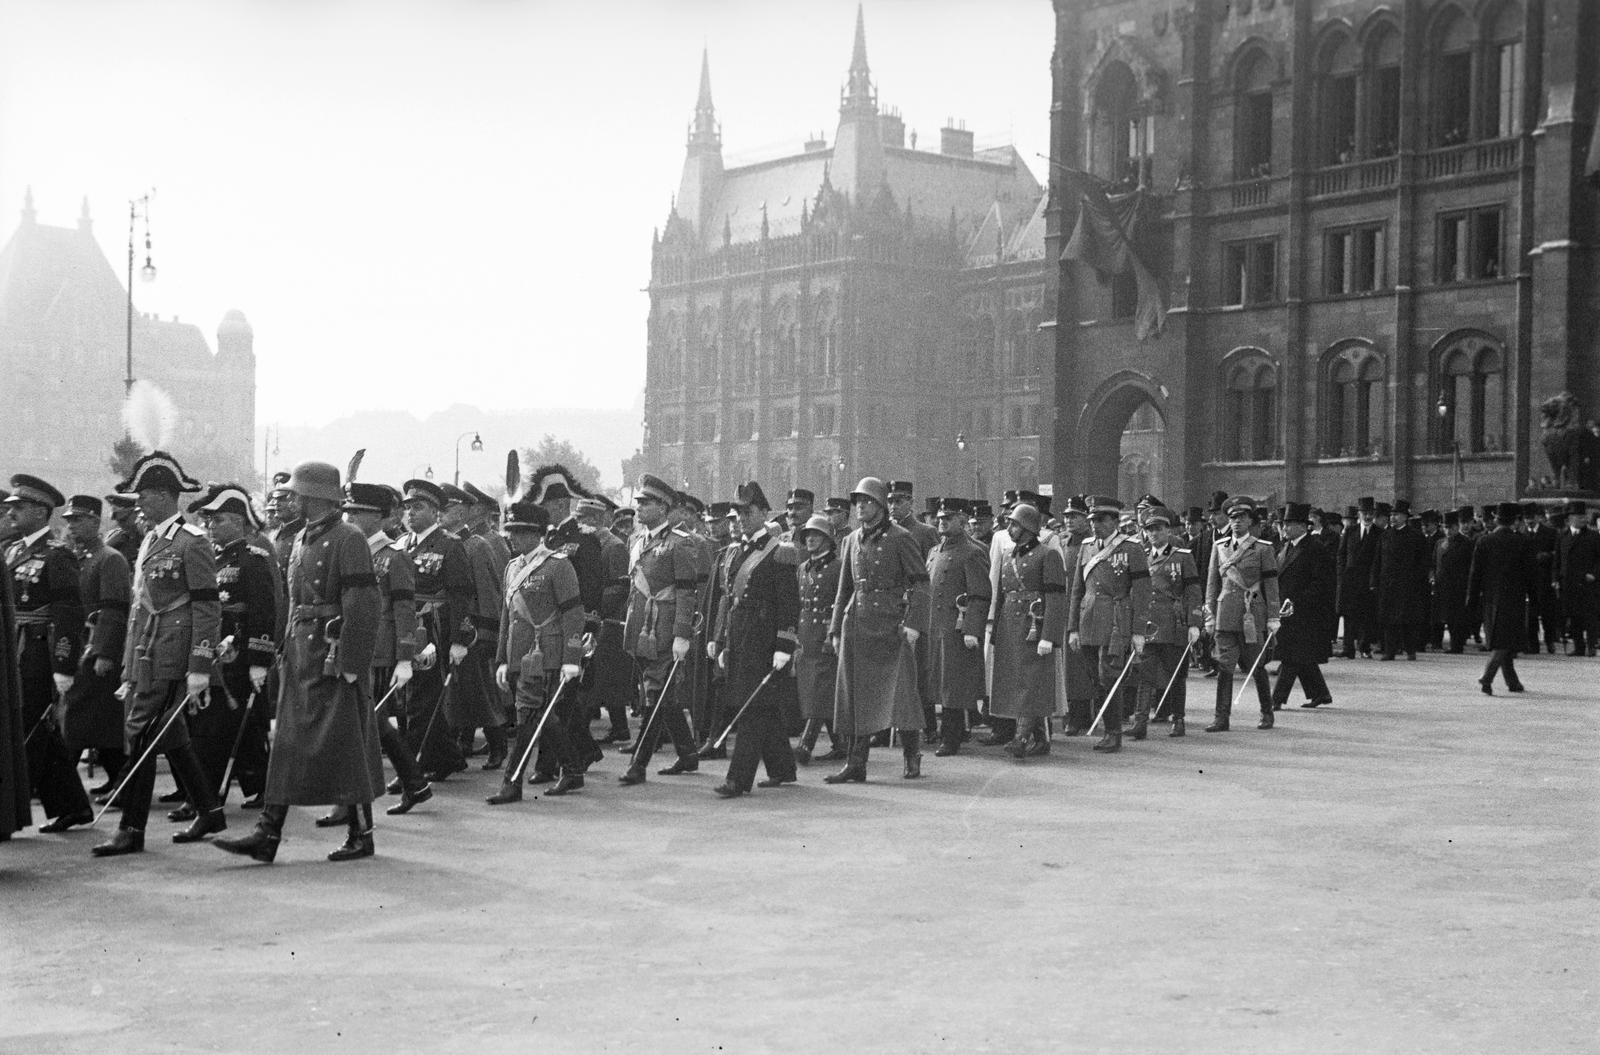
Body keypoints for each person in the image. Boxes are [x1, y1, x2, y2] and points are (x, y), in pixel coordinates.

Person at [214, 461, 384, 864]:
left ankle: (362, 834)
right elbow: (291, 602)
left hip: (331, 655)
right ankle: (268, 833)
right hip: (301, 654)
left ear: (315, 496)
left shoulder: (349, 538)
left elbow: (362, 603)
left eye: (297, 493)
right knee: (287, 746)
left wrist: (351, 659)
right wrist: (280, 647)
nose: (290, 498)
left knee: (347, 745)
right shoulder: (302, 537)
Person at [91, 452, 226, 856]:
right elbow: (140, 606)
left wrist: (199, 665)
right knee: (169, 733)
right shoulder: (151, 538)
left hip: (172, 651)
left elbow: (207, 606)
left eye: (146, 495)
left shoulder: (192, 541)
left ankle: (131, 829)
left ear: (168, 496)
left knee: (140, 731)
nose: (140, 503)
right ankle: (209, 809)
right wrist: (130, 666)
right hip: (146, 649)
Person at [321, 482, 432, 824]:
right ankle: (413, 783)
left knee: (366, 721)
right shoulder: (348, 550)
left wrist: (404, 657)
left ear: (380, 518)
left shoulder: (394, 556)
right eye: (349, 511)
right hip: (351, 648)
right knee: (367, 721)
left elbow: (404, 609)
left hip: (380, 652)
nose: (351, 517)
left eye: (359, 513)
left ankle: (397, 787)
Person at [825, 477, 930, 783]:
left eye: (867, 501)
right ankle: (856, 762)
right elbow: (844, 588)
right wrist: (835, 628)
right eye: (857, 502)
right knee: (855, 696)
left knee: (902, 694)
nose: (860, 507)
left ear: (881, 506)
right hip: (856, 624)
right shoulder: (851, 540)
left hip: (891, 625)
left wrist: (912, 625)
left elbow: (921, 583)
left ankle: (912, 754)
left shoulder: (901, 538)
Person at [5, 475, 93, 832]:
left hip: (40, 651)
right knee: (39, 730)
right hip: (15, 646)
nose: (11, 513)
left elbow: (69, 613)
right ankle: (72, 805)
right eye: (10, 508)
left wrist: (63, 663)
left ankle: (10, 809)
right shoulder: (13, 550)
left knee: (30, 726)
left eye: (19, 508)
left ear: (41, 512)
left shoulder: (58, 555)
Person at [183, 484, 278, 813]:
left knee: (218, 727)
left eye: (218, 520)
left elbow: (265, 612)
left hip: (238, 656)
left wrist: (259, 660)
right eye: (208, 521)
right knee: (240, 725)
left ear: (238, 522)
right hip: (215, 651)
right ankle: (260, 786)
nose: (210, 527)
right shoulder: (211, 557)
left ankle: (206, 797)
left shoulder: (254, 560)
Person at [488, 500, 586, 804]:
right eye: (511, 530)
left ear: (538, 534)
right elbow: (507, 617)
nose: (513, 536)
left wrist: (572, 659)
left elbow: (574, 615)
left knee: (528, 715)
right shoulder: (511, 567)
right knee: (542, 715)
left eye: (521, 531)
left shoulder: (558, 565)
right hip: (520, 653)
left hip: (547, 653)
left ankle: (512, 783)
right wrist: (502, 659)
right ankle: (572, 769)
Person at [708, 482, 801, 798]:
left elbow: (789, 604)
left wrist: (784, 645)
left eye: (748, 512)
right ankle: (783, 768)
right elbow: (728, 600)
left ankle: (738, 779)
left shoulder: (780, 552)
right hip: (740, 638)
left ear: (764, 513)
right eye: (739, 512)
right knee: (764, 707)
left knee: (752, 709)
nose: (742, 518)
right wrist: (721, 642)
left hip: (764, 641)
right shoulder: (735, 551)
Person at [617, 474, 701, 785]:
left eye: (646, 503)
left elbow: (686, 592)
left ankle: (639, 764)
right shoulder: (637, 541)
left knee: (654, 694)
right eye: (638, 502)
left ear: (663, 508)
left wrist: (682, 634)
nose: (638, 507)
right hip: (641, 628)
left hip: (664, 631)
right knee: (663, 694)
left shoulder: (680, 543)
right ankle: (689, 754)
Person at [396, 478, 475, 780]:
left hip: (433, 628)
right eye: (407, 508)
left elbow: (462, 595)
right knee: (409, 697)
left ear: (435, 512)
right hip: (406, 625)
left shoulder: (449, 545)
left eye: (417, 508)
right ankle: (447, 758)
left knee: (421, 698)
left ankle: (413, 766)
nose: (410, 514)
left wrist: (459, 639)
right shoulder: (403, 545)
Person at [59, 495, 132, 798]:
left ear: (94, 521)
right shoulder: (76, 558)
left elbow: (114, 610)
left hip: (96, 650)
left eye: (78, 520)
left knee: (82, 720)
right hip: (76, 647)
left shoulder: (110, 558)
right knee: (97, 723)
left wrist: (104, 651)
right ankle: (120, 782)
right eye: (69, 520)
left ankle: (64, 789)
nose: (71, 526)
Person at [1067, 495, 1150, 752]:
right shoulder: (1087, 547)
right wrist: (1072, 628)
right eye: (1092, 519)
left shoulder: (1132, 548)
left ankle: (1113, 732)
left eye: (1101, 519)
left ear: (1115, 520)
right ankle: (1107, 728)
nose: (1095, 525)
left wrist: (1138, 631)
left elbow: (1143, 592)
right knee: (1095, 678)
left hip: (1116, 620)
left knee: (1110, 675)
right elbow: (1077, 590)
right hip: (1089, 618)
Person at [988, 502, 1065, 757]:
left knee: (1032, 682)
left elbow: (1055, 598)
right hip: (1011, 626)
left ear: (1029, 527)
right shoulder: (1009, 553)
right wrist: (997, 627)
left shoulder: (1047, 555)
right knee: (1018, 682)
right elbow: (1002, 595)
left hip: (1035, 625)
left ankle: (1021, 738)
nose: (1009, 528)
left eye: (1014, 524)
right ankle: (1040, 739)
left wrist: (1049, 636)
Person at [1203, 495, 1281, 732]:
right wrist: (1210, 614)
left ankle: (1267, 713)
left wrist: (1273, 616)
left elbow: (1271, 585)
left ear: (1250, 520)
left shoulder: (1262, 549)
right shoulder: (1220, 548)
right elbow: (1212, 584)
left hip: (1252, 614)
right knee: (1224, 666)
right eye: (1233, 517)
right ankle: (1221, 717)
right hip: (1225, 614)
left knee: (1255, 666)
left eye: (1242, 517)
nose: (1237, 522)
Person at [925, 498, 989, 756]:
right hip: (935, 626)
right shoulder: (934, 551)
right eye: (940, 518)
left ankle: (950, 737)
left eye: (948, 518)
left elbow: (980, 594)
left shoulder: (972, 552)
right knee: (939, 682)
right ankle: (949, 731)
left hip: (957, 628)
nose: (942, 522)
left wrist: (972, 629)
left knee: (954, 685)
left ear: (962, 521)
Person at [1131, 506, 1201, 737]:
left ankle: (1178, 719)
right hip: (1149, 623)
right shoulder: (1142, 556)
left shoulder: (1182, 556)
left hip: (1173, 621)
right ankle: (1140, 721)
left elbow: (1192, 590)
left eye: (1158, 529)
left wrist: (1194, 623)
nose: (1154, 534)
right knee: (1144, 673)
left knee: (1176, 672)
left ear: (1168, 530)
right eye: (1149, 530)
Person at [1270, 503, 1335, 710]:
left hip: (1307, 612)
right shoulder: (1285, 548)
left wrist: (1297, 602)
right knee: (1302, 656)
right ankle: (1320, 693)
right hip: (1286, 612)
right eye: (1284, 524)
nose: (1285, 528)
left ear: (1302, 526)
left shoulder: (1315, 548)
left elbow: (1321, 583)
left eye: (1290, 524)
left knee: (1291, 656)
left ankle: (1276, 699)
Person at [792, 514, 845, 763]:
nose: (811, 539)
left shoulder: (838, 567)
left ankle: (806, 745)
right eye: (808, 536)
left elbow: (841, 602)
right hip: (805, 636)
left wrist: (832, 634)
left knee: (819, 691)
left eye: (817, 535)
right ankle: (841, 744)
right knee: (815, 692)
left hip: (825, 634)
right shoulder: (802, 568)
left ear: (828, 539)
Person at [1468, 502, 1534, 695]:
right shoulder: (1522, 542)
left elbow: (1475, 574)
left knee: (1502, 639)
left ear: (1496, 519)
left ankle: (1513, 682)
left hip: (1490, 599)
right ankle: (1487, 676)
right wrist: (1535, 598)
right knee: (1504, 642)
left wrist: (1471, 599)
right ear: (1515, 521)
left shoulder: (1484, 541)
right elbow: (1531, 574)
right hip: (1514, 598)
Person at [1337, 497, 1381, 658]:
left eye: (1370, 513)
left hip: (1368, 581)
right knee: (1349, 615)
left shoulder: (1379, 533)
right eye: (1364, 513)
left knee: (1367, 616)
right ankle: (1348, 648)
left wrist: (1374, 580)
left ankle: (1364, 647)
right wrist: (1342, 574)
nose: (1367, 516)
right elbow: (1341, 554)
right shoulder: (1350, 531)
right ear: (1359, 514)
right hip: (1350, 580)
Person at [1555, 500, 1599, 656]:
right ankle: (1579, 646)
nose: (1583, 519)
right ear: (1570, 518)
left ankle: (1591, 646)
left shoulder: (1593, 536)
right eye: (1579, 516)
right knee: (1574, 616)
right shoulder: (1563, 536)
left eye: (1584, 516)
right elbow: (1557, 560)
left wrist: (1594, 574)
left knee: (1590, 616)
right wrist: (1555, 578)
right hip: (1569, 582)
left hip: (1588, 583)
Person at [1435, 508, 1478, 653]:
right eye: (1445, 527)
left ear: (1456, 527)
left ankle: (1457, 644)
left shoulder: (1466, 543)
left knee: (1457, 617)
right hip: (1443, 585)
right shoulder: (1439, 543)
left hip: (1459, 585)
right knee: (1447, 616)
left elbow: (1471, 565)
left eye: (1450, 527)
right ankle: (1454, 643)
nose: (1448, 530)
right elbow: (1435, 563)